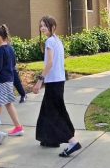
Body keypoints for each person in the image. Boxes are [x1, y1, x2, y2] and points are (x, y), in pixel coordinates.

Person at [33, 15, 82, 157]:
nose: (42, 28)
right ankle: (50, 139)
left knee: (54, 114)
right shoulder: (57, 40)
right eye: (41, 25)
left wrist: (39, 81)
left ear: (52, 27)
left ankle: (72, 141)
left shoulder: (49, 41)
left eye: (45, 25)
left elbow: (50, 63)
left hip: (53, 82)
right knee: (50, 111)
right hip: (58, 81)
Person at [0, 25, 26, 137]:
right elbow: (11, 64)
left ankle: (17, 127)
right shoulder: (10, 48)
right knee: (1, 103)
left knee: (3, 103)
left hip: (0, 81)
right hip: (9, 79)